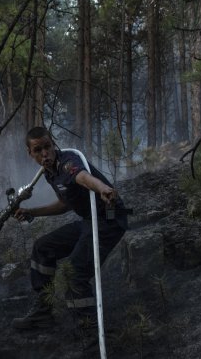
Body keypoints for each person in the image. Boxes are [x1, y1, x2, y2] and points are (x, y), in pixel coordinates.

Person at [11, 126, 128, 330]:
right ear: (30, 153)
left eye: (47, 147)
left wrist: (102, 188)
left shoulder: (68, 162)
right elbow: (65, 204)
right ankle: (43, 312)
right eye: (38, 150)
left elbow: (82, 177)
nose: (44, 153)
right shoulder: (49, 173)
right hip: (88, 220)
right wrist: (33, 212)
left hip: (109, 219)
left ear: (53, 144)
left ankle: (90, 332)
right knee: (42, 247)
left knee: (74, 273)